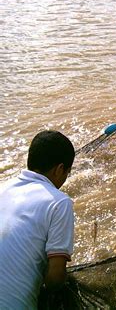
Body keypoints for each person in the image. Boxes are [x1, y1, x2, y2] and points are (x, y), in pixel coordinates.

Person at [0, 130, 75, 308]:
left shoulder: (3, 187)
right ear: (60, 169)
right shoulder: (59, 202)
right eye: (67, 173)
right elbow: (54, 279)